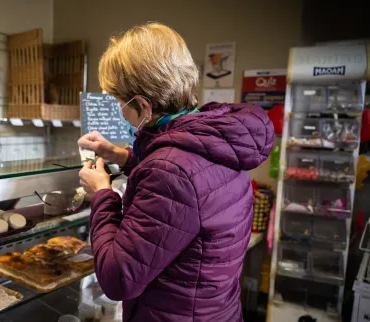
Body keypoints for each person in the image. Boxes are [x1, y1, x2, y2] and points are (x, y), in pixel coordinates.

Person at [78, 22, 274, 321]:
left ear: (143, 106)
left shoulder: (171, 171)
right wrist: (122, 155)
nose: (119, 109)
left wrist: (102, 194)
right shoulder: (216, 137)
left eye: (120, 102)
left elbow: (118, 278)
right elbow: (188, 182)